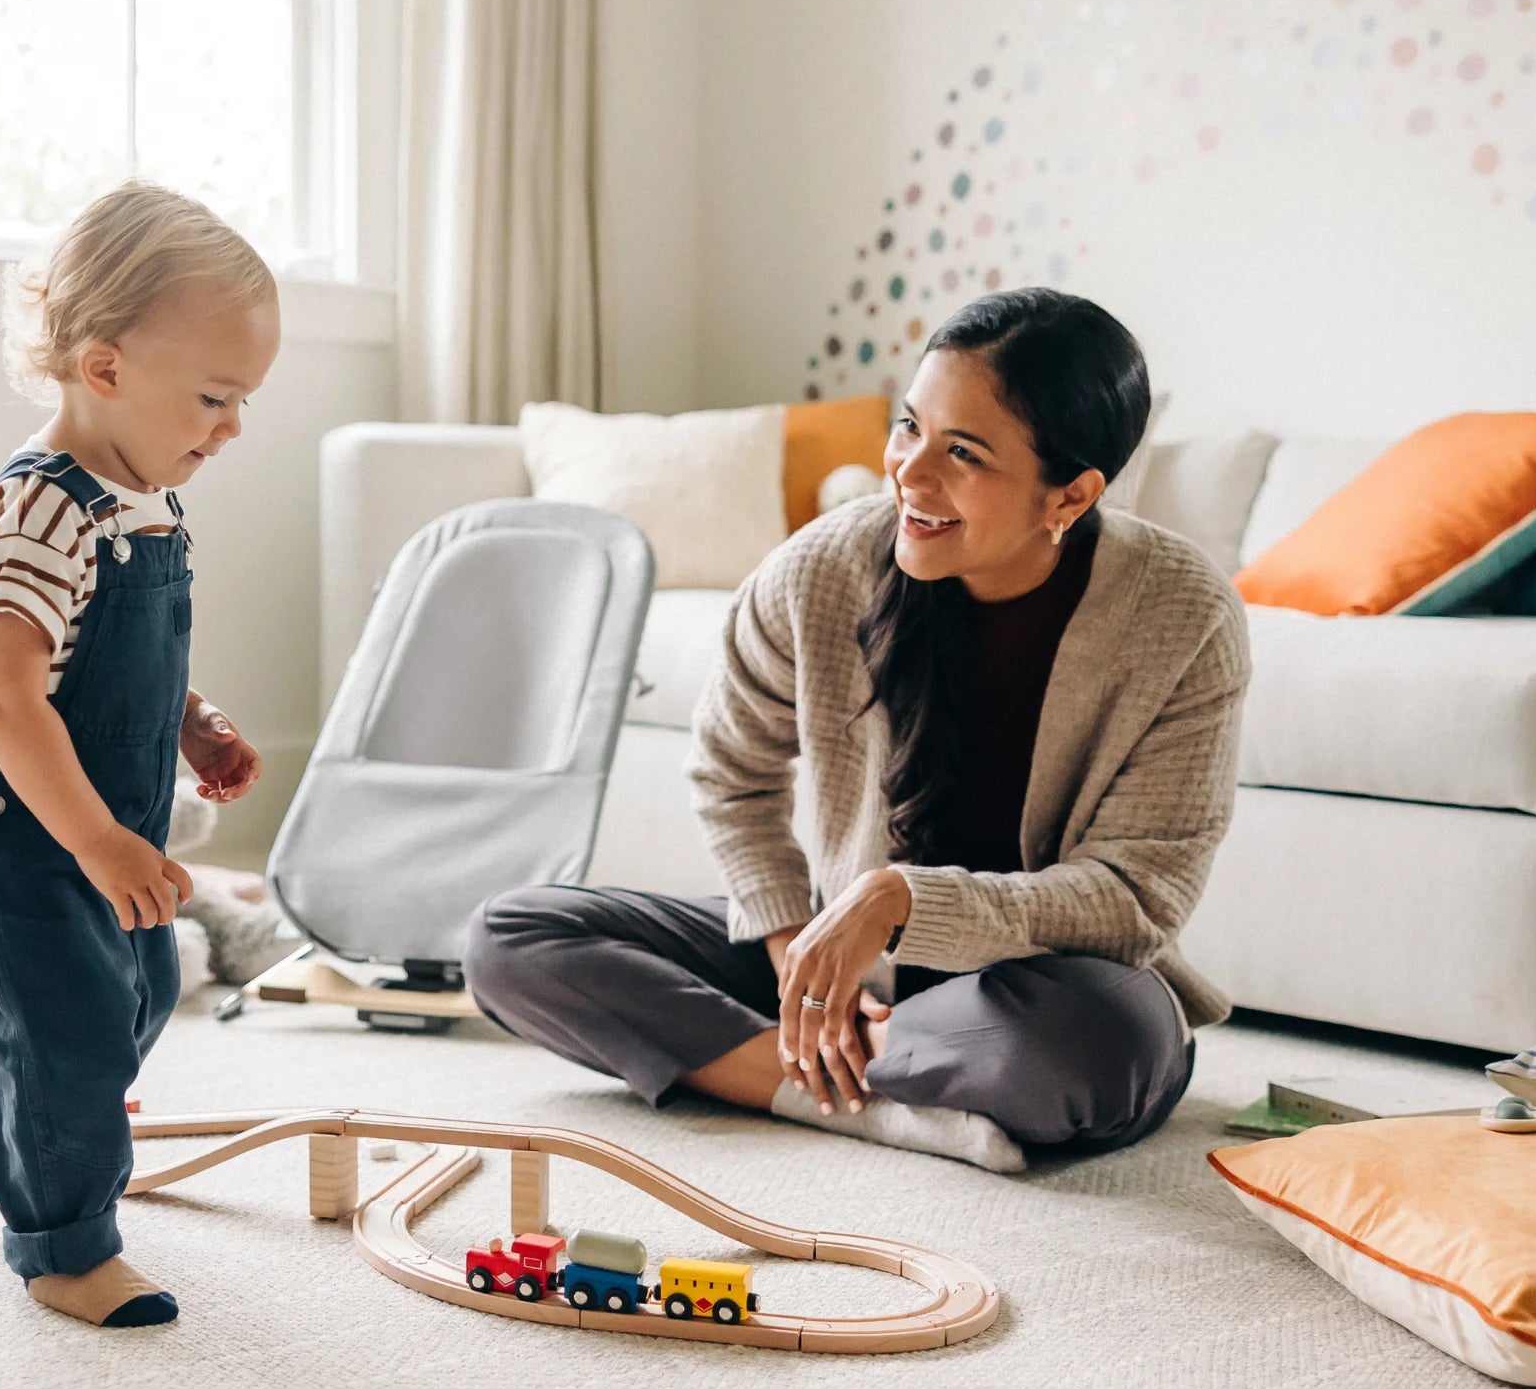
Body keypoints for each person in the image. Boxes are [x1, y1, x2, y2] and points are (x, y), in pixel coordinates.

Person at [465, 288, 1251, 1172]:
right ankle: (839, 1091)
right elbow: (731, 776)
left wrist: (900, 899)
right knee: (511, 939)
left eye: (964, 454)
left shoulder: (1182, 614)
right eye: (910, 426)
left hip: (1034, 984)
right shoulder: (820, 569)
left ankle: (768, 1062)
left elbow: (1135, 898)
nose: (910, 473)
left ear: (1069, 495)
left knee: (1100, 1052)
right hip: (837, 958)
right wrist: (797, 964)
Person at [0, 182, 279, 1323]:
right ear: (107, 369)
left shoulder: (147, 500)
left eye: (242, 401)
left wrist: (189, 717)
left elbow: (110, 656)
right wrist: (101, 838)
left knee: (139, 986)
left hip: (99, 810)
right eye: (214, 397)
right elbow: (9, 697)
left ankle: (18, 1115)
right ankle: (63, 1244)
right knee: (62, 1025)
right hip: (12, 822)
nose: (229, 428)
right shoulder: (39, 513)